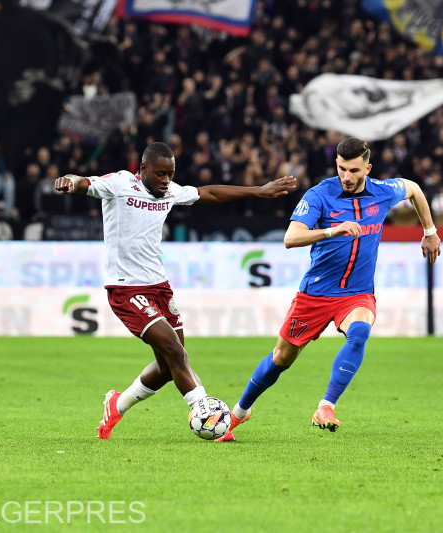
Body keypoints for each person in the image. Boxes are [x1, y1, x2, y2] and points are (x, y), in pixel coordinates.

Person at [54, 141, 296, 439]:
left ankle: (118, 404)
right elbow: (85, 182)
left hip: (160, 287)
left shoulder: (169, 191)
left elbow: (209, 193)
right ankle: (207, 414)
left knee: (170, 366)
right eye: (160, 174)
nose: (166, 180)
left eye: (170, 174)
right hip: (127, 289)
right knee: (174, 351)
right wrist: (70, 182)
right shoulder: (120, 184)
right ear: (143, 169)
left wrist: (258, 191)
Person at [216, 137, 441, 442]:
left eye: (354, 170)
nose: (347, 176)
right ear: (336, 164)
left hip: (357, 294)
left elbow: (413, 188)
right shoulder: (319, 195)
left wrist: (430, 231)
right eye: (342, 169)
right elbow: (291, 238)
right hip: (316, 294)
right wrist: (333, 230)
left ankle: (326, 406)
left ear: (367, 169)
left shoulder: (383, 191)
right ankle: (240, 411)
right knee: (281, 357)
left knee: (359, 332)